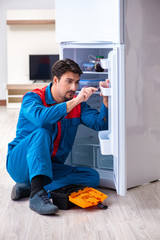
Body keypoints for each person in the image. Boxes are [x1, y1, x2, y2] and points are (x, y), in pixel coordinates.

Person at [6, 58, 109, 215]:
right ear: (55, 80)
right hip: (19, 163)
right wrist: (75, 102)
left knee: (91, 177)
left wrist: (106, 101)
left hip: (50, 166)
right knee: (42, 132)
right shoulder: (32, 98)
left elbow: (100, 124)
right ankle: (37, 195)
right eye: (69, 81)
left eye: (76, 82)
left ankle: (30, 187)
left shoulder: (77, 104)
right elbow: (42, 119)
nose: (74, 88)